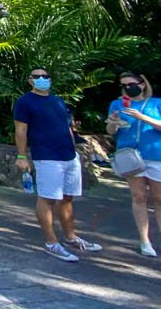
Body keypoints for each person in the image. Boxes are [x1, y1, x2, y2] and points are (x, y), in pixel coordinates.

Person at [14, 67, 102, 262]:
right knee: (47, 199)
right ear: (30, 81)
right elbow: (21, 130)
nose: (41, 79)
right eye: (37, 76)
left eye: (45, 76)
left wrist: (74, 150)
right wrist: (22, 156)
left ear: (50, 80)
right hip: (46, 156)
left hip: (69, 156)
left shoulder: (58, 101)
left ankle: (71, 237)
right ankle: (51, 243)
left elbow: (67, 127)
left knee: (67, 197)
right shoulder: (24, 102)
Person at [107, 72, 161, 257]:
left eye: (131, 84)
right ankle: (145, 240)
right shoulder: (117, 104)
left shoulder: (157, 103)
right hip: (129, 156)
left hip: (155, 155)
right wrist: (113, 122)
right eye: (124, 85)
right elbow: (110, 131)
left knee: (159, 198)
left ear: (142, 84)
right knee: (139, 197)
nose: (128, 88)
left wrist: (142, 117)